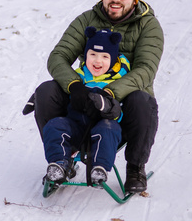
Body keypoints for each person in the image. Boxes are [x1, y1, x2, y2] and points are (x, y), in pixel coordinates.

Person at [23, 0, 164, 193]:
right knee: (45, 91)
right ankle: (62, 159)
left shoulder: (148, 25)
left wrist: (109, 94)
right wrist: (75, 86)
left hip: (122, 105)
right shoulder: (87, 19)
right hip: (84, 98)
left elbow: (146, 69)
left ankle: (135, 167)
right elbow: (58, 56)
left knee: (142, 100)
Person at [43, 27, 129, 184]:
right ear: (85, 56)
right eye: (93, 55)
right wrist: (37, 96)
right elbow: (61, 93)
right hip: (76, 127)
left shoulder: (120, 81)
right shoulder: (78, 77)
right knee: (55, 125)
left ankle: (99, 168)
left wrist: (108, 107)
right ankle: (60, 164)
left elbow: (121, 113)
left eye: (104, 56)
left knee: (108, 128)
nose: (97, 61)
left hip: (104, 127)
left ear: (114, 59)